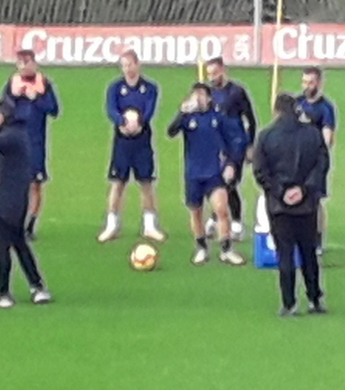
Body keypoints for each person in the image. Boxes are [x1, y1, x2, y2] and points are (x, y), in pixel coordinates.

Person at [253, 92, 330, 316]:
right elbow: (322, 164)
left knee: (284, 254)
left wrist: (280, 191)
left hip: (279, 206)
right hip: (306, 205)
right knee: (309, 253)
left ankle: (289, 303)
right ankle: (314, 299)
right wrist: (304, 189)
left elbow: (260, 171)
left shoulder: (266, 136)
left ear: (276, 110)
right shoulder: (313, 134)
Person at [0, 97, 52, 308]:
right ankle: (37, 287)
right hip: (13, 201)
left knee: (5, 248)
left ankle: (4, 293)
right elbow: (1, 162)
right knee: (18, 245)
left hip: (3, 201)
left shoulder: (12, 136)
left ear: (1, 116)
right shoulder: (17, 134)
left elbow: (0, 144)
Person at [166, 82, 246, 266]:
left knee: (221, 209)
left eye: (202, 95)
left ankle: (226, 249)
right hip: (193, 172)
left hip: (214, 172)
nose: (198, 98)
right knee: (196, 212)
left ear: (209, 98)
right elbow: (171, 132)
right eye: (195, 95)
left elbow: (233, 142)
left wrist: (231, 164)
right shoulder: (188, 118)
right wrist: (182, 112)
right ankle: (201, 248)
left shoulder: (218, 118)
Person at [98, 50, 166, 243]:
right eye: (124, 65)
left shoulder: (150, 88)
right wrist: (122, 121)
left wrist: (139, 122)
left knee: (146, 183)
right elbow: (110, 109)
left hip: (142, 140)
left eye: (130, 64)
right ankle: (111, 225)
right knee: (117, 182)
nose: (127, 69)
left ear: (138, 65)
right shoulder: (115, 88)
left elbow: (150, 108)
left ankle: (150, 226)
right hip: (122, 141)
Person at [2, 49, 60, 239]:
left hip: (35, 141)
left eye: (27, 62)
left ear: (34, 63)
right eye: (20, 63)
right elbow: (1, 110)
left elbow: (54, 109)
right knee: (13, 184)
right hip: (14, 140)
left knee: (35, 183)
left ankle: (30, 225)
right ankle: (11, 223)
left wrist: (37, 98)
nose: (24, 66)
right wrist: (14, 98)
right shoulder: (12, 84)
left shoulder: (44, 84)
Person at [206, 56, 258, 239]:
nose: (211, 77)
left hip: (236, 144)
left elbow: (250, 119)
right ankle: (217, 217)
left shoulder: (236, 92)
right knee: (214, 182)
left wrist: (250, 145)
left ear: (222, 71)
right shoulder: (208, 93)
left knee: (229, 182)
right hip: (215, 145)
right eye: (209, 74)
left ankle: (234, 222)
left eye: (214, 73)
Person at [293, 66, 337, 252]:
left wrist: (314, 152)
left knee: (314, 200)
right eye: (304, 81)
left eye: (311, 82)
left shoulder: (325, 108)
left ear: (319, 83)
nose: (307, 85)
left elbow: (327, 138)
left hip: (316, 160)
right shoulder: (296, 103)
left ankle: (317, 239)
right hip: (296, 158)